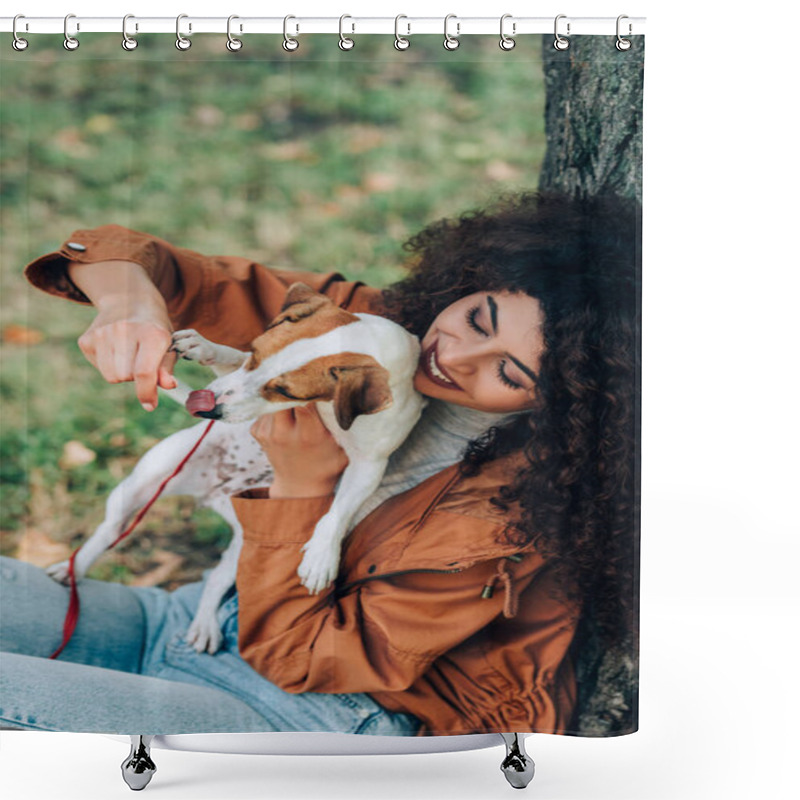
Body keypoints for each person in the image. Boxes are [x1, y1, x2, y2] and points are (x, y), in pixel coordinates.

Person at [0, 191, 640, 737]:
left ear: (568, 403)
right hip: (202, 617)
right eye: (478, 318)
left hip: (329, 714)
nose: (456, 357)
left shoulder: (513, 517)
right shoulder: (373, 329)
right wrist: (128, 303)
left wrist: (300, 484)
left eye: (507, 369)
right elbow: (125, 255)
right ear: (477, 278)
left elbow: (303, 660)